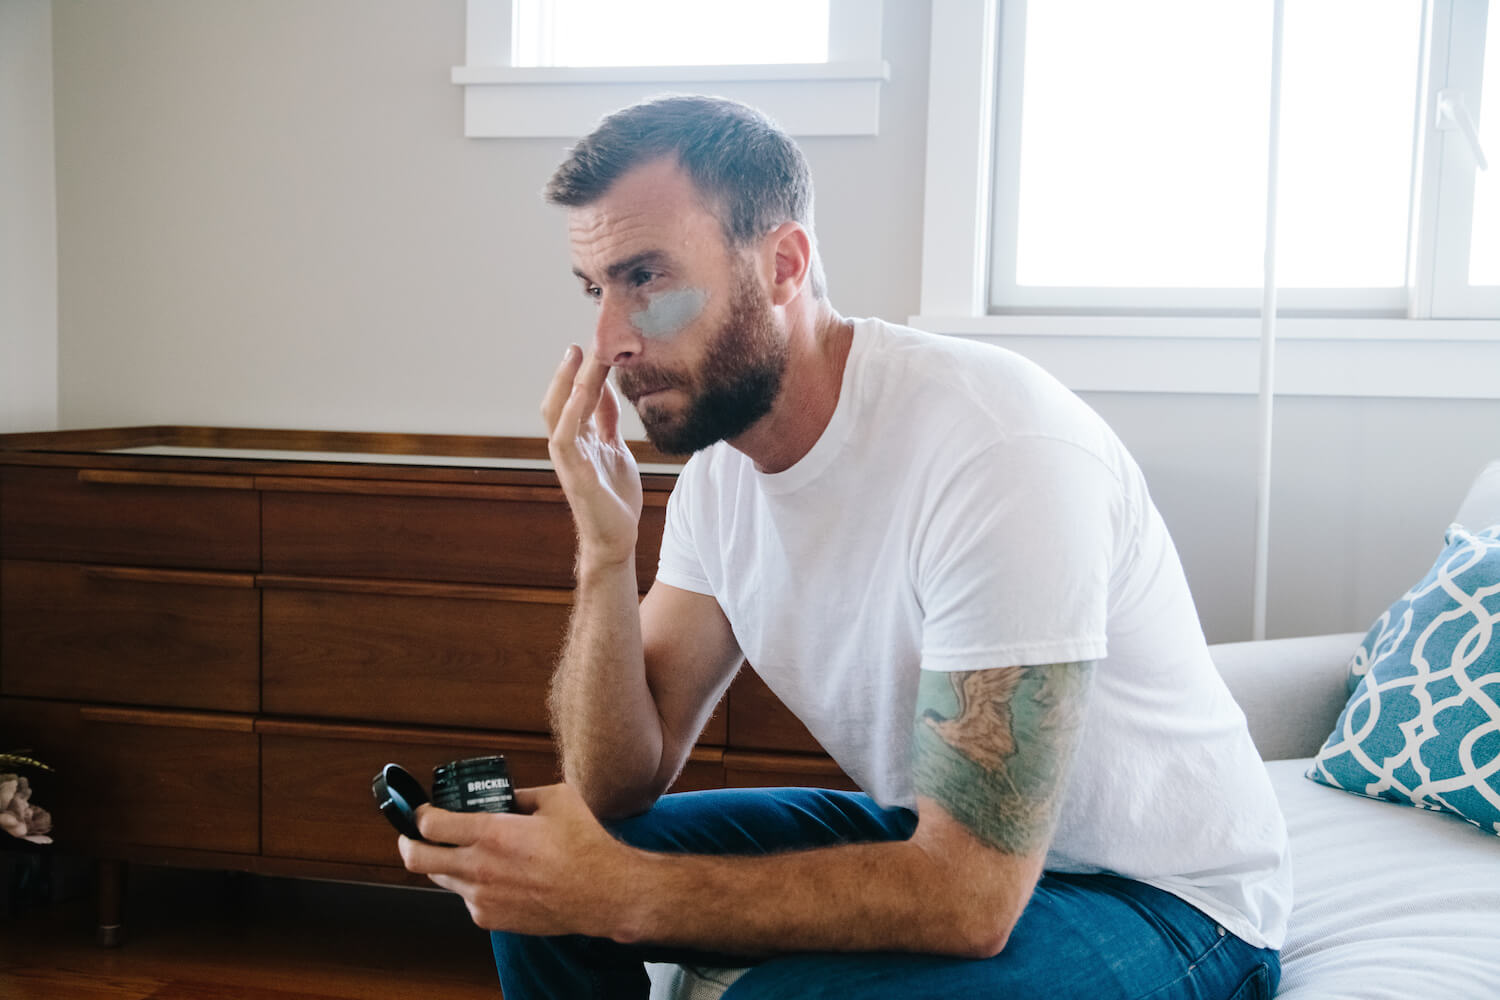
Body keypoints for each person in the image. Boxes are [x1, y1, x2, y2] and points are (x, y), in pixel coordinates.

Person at [398, 95, 1291, 1000]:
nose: (610, 342)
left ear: (784, 264)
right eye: (597, 290)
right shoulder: (723, 475)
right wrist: (602, 551)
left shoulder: (995, 452)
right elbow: (614, 784)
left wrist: (626, 894)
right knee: (540, 871)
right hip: (930, 834)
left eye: (648, 281)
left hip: (1161, 902)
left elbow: (972, 898)